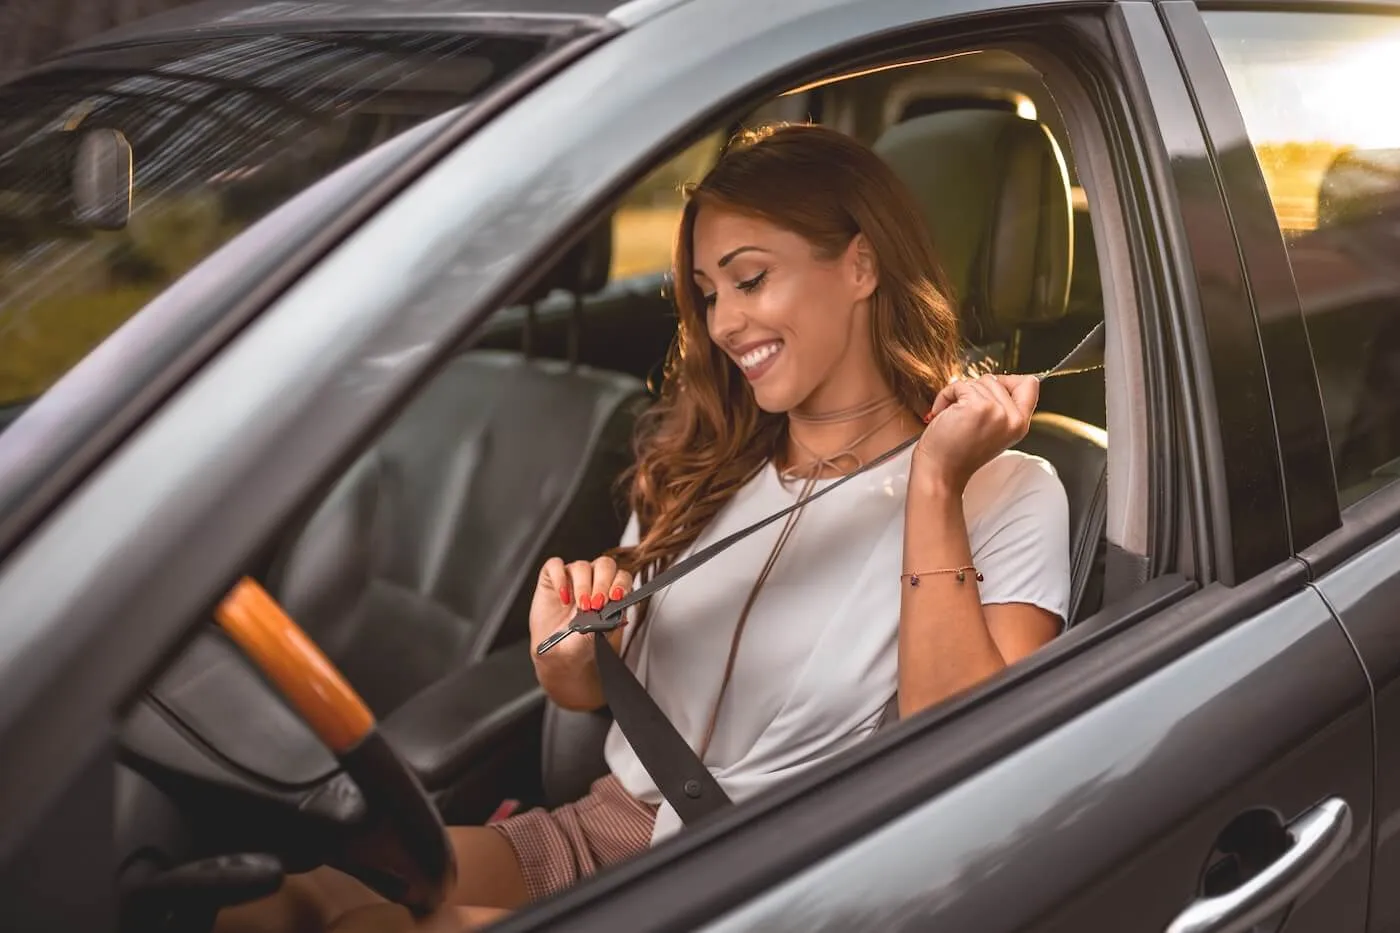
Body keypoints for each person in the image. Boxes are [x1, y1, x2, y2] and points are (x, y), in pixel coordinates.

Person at [219, 122, 1070, 933]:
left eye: (750, 278)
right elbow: (594, 697)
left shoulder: (1007, 491)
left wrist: (933, 483)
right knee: (275, 900)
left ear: (860, 264)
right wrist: (573, 656)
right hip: (608, 832)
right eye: (706, 294)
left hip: (760, 880)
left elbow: (964, 760)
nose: (724, 323)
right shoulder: (705, 463)